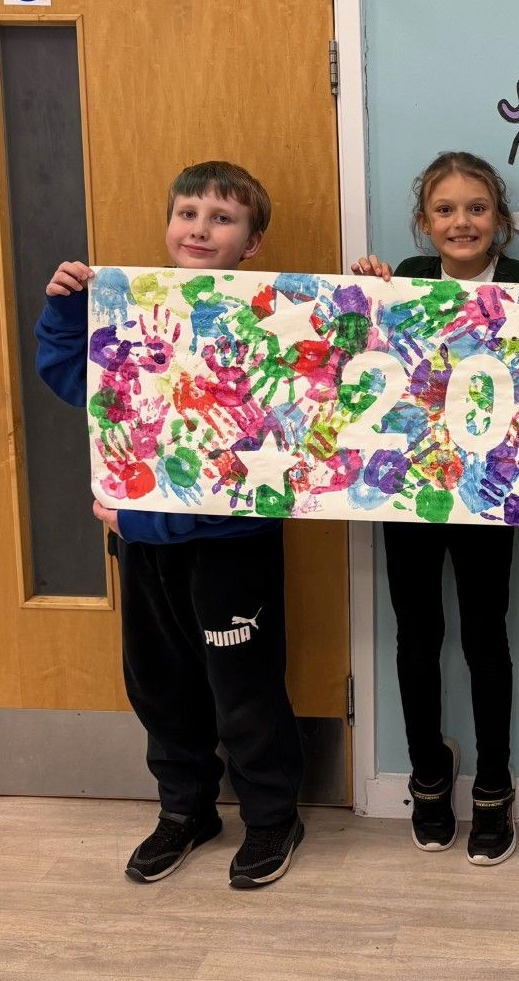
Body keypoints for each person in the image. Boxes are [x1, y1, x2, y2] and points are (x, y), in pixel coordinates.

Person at [35, 161, 305, 888]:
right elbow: (72, 381)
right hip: (143, 541)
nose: (200, 228)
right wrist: (67, 311)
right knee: (159, 683)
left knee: (244, 687)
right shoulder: (132, 311)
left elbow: (305, 424)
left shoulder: (268, 314)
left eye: (222, 218)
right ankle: (185, 808)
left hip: (229, 546)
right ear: (168, 224)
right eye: (188, 213)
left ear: (251, 242)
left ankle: (273, 815)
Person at [351, 150, 519, 865]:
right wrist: (362, 297)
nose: (461, 221)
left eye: (476, 208)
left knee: (484, 634)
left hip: (488, 490)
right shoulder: (405, 283)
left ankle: (495, 787)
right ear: (423, 222)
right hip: (407, 490)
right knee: (415, 632)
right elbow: (350, 357)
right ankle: (428, 775)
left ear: (501, 222)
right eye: (445, 210)